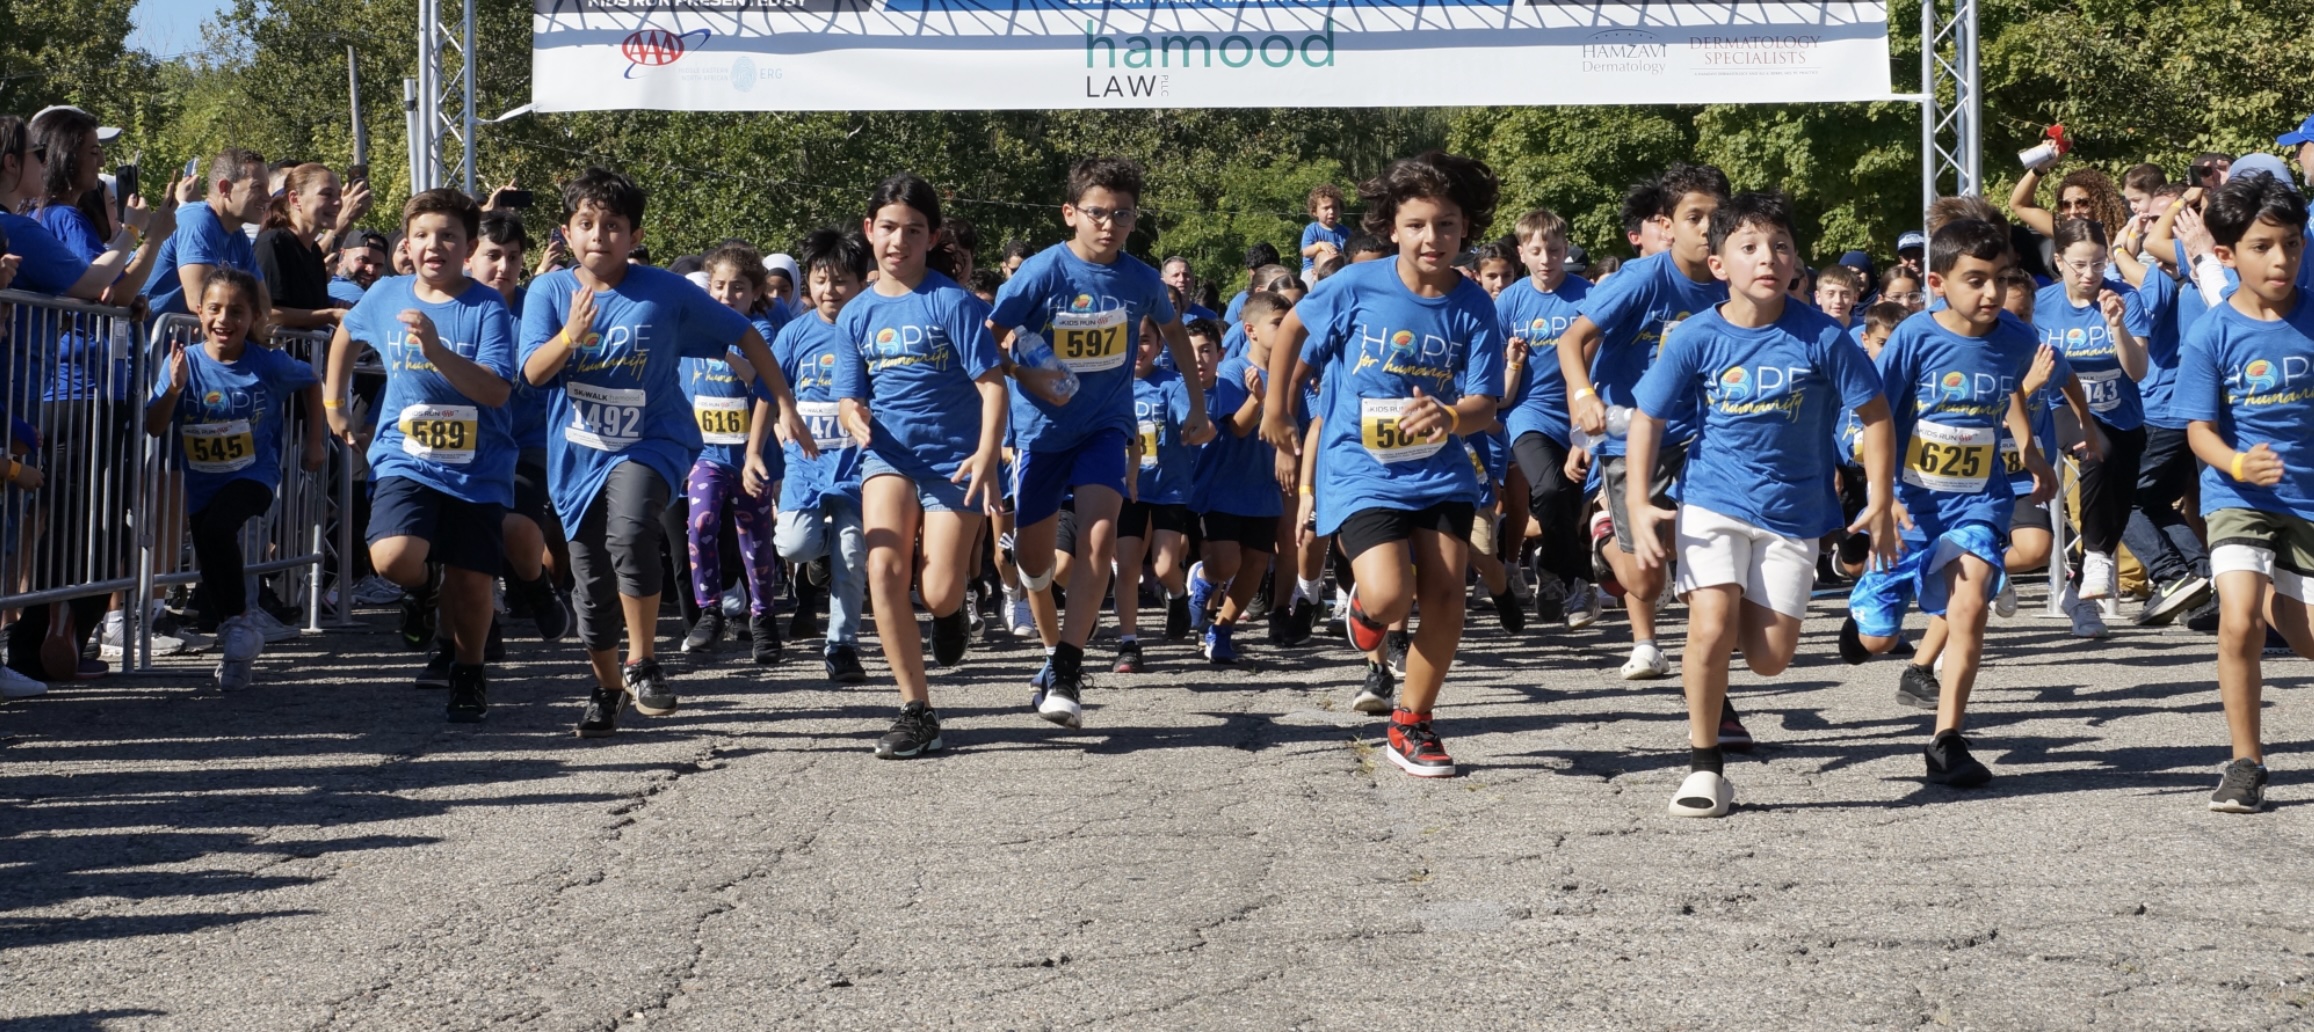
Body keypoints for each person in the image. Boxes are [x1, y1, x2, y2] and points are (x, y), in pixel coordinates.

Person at [1628, 191, 1895, 817]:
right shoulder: (1694, 336)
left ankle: (1728, 651)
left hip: (1794, 513)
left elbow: (1876, 414)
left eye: (1779, 245)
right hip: (1712, 497)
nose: (1766, 258)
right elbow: (1647, 417)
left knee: (1771, 659)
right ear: (1719, 265)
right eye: (1748, 247)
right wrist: (1638, 502)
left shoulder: (1824, 337)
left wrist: (1880, 497)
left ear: (1796, 259)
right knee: (1710, 626)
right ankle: (1704, 767)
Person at [520, 168, 811, 738]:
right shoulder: (549, 292)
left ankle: (643, 661)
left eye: (613, 225)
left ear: (634, 236)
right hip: (577, 456)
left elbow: (746, 334)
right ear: (567, 231)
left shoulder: (666, 292)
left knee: (630, 534)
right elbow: (531, 374)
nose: (599, 235)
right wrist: (569, 337)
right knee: (592, 585)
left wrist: (785, 403)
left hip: (654, 441)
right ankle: (607, 688)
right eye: (586, 224)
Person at [1261, 150, 1506, 779]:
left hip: (1440, 468)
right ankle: (1367, 612)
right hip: (1360, 465)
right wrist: (1275, 409)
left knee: (1449, 595)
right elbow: (1289, 332)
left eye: (1447, 225)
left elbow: (1485, 401)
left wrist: (1451, 416)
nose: (1433, 238)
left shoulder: (1475, 305)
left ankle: (1412, 722)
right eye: (1419, 224)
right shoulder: (1354, 285)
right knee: (1393, 593)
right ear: (1392, 227)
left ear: (1465, 230)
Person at [987, 156, 1213, 722]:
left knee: (1101, 535)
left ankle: (1068, 664)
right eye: (1096, 213)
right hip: (1041, 434)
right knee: (1034, 564)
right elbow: (984, 342)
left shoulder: (1141, 280)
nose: (1109, 224)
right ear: (1071, 214)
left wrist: (1199, 404)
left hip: (1107, 428)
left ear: (1134, 219)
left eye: (1122, 214)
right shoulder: (1040, 273)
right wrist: (1023, 373)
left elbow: (1175, 337)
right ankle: (1048, 649)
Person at [1842, 218, 2060, 789]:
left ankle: (1947, 740)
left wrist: (2031, 456)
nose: (1990, 293)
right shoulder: (1916, 336)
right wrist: (1881, 494)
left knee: (1968, 611)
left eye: (1998, 279)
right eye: (1975, 280)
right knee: (1877, 640)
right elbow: (1877, 415)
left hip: (1978, 503)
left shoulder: (2015, 337)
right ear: (1938, 282)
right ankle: (1863, 620)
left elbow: (2009, 390)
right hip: (1911, 504)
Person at [322, 188, 524, 721]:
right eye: (422, 236)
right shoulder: (387, 293)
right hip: (405, 453)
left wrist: (436, 350)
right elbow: (346, 333)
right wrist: (332, 402)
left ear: (469, 245)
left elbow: (496, 391)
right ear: (406, 245)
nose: (434, 246)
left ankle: (469, 672)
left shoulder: (487, 308)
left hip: (476, 467)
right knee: (392, 557)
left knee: (474, 583)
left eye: (449, 236)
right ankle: (423, 586)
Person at [833, 173, 1005, 759]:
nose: (897, 242)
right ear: (869, 231)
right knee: (880, 565)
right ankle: (917, 709)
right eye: (887, 228)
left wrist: (987, 453)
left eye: (912, 231)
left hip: (955, 464)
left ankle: (952, 611)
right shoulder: (854, 314)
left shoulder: (951, 302)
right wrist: (852, 412)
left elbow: (992, 386)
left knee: (935, 591)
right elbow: (848, 394)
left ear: (931, 238)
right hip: (888, 456)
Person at [1554, 162, 1732, 680]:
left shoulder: (1732, 280)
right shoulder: (1641, 278)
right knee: (1646, 580)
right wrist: (1584, 398)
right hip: (1630, 432)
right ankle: (1606, 527)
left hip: (1702, 433)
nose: (1704, 227)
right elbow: (1572, 340)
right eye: (1692, 216)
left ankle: (1702, 664)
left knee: (1709, 539)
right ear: (1667, 224)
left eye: (1714, 217)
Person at [2174, 170, 2314, 813]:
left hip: (2306, 503)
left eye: (2291, 242)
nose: (2281, 258)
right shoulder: (2212, 333)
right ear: (2227, 255)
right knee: (2237, 622)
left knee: (2303, 633)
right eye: (2263, 246)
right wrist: (2235, 462)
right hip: (2238, 498)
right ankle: (2245, 763)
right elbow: (2198, 431)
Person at [145, 269, 323, 690]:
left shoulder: (268, 363)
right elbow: (153, 427)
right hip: (203, 482)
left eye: (237, 311)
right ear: (200, 312)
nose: (224, 319)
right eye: (215, 309)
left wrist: (315, 441)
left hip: (254, 476)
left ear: (255, 317)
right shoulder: (183, 361)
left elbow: (313, 382)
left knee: (219, 528)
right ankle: (236, 638)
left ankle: (239, 622)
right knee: (209, 542)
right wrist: (172, 390)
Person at [675, 240, 788, 664]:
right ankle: (710, 611)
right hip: (706, 454)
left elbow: (763, 382)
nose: (726, 296)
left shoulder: (762, 333)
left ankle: (763, 617)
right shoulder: (692, 329)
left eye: (738, 288)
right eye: (719, 286)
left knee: (755, 541)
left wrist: (724, 346)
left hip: (750, 457)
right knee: (700, 524)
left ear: (756, 291)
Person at [464, 210, 571, 648]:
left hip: (527, 443)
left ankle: (536, 585)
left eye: (513, 257)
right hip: (462, 444)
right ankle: (477, 630)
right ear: (469, 256)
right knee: (464, 531)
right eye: (493, 255)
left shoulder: (536, 307)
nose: (503, 267)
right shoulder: (453, 306)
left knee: (511, 524)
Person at [770, 229, 872, 684]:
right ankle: (818, 556)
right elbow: (769, 391)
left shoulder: (871, 327)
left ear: (862, 282)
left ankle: (842, 645)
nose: (830, 291)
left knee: (852, 555)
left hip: (857, 468)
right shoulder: (794, 334)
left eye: (841, 281)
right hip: (805, 467)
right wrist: (768, 435)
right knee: (794, 545)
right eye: (820, 279)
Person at [2034, 219, 2144, 619]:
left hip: (2122, 412)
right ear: (2059, 262)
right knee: (2094, 447)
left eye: (2098, 264)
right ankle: (2097, 556)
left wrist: (2117, 327)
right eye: (2079, 265)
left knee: (2120, 493)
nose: (2089, 274)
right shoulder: (2042, 306)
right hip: (2061, 407)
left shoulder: (2126, 296)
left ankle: (2078, 595)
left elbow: (2137, 371)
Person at [1497, 208, 1596, 627]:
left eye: (1554, 250)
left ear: (1565, 249)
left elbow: (1601, 361)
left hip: (1578, 412)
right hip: (1528, 412)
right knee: (1550, 490)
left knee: (1571, 507)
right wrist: (1512, 362)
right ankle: (1580, 581)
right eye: (1536, 251)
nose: (1546, 259)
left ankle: (1552, 571)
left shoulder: (1588, 295)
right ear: (1522, 252)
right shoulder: (1511, 299)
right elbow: (1494, 370)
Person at [1186, 294, 1285, 663]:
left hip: (1265, 486)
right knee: (1227, 563)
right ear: (1251, 330)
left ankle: (1222, 629)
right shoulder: (1233, 371)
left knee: (1256, 564)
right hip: (1224, 485)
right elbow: (1240, 429)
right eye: (1277, 323)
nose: (1285, 329)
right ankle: (1205, 579)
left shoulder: (1288, 373)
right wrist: (1257, 400)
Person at [148, 148, 273, 317]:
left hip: (184, 342)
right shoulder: (196, 220)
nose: (268, 198)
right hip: (147, 341)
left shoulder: (238, 236)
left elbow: (262, 306)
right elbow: (199, 300)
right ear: (225, 188)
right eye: (257, 187)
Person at [254, 162, 368, 329]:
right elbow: (265, 313)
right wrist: (329, 315)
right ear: (295, 199)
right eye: (326, 194)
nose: (337, 203)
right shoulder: (273, 243)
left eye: (338, 195)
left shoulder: (313, 251)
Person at [2010, 164, 2132, 242]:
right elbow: (2019, 205)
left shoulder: (2127, 229)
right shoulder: (2066, 229)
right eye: (2066, 205)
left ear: (2100, 204)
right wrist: (2040, 168)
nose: (2073, 212)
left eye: (2082, 203)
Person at [332, 230, 389, 307]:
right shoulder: (320, 285)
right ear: (342, 254)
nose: (371, 270)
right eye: (363, 260)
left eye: (378, 265)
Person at [1300, 184, 1348, 273]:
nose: (1331, 211)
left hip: (1338, 270)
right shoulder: (1312, 230)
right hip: (1313, 270)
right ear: (1314, 212)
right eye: (1326, 208)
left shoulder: (1345, 232)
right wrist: (1319, 246)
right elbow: (1305, 252)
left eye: (1335, 207)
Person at [1813, 263, 1864, 330]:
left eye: (1845, 294)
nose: (1838, 301)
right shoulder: (1807, 332)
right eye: (1830, 294)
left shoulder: (1867, 333)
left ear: (1855, 298)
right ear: (1818, 297)